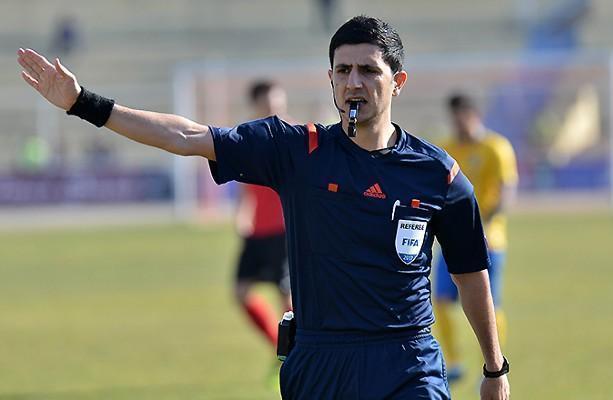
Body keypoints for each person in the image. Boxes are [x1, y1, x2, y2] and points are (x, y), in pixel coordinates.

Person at [17, 15, 510, 400]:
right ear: (330, 79)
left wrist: (494, 368)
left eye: (368, 70)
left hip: (407, 359)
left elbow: (471, 274)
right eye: (343, 71)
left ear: (397, 81)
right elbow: (187, 136)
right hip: (321, 361)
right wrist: (83, 103)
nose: (353, 82)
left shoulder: (438, 174)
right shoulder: (296, 150)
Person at [433, 93, 518, 384]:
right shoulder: (446, 149)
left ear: (474, 115)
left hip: (490, 241)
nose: (459, 124)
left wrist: (486, 222)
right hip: (452, 242)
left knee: (490, 304)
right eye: (454, 118)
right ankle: (453, 361)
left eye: (463, 117)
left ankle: (494, 361)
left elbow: (506, 189)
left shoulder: (495, 148)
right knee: (440, 299)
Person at [233, 80, 292, 352]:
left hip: (285, 229)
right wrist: (242, 215)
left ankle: (292, 353)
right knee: (241, 292)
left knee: (287, 296)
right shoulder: (247, 139)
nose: (274, 110)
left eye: (277, 104)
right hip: (258, 230)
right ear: (255, 106)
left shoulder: (295, 136)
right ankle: (279, 347)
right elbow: (244, 187)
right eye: (268, 105)